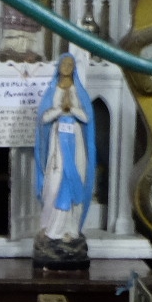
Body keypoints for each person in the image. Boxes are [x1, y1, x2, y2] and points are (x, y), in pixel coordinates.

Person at [33, 54, 95, 267]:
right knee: (55, 183)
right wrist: (61, 109)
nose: (67, 67)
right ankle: (53, 229)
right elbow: (43, 118)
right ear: (58, 67)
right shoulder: (52, 90)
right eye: (64, 64)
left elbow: (87, 118)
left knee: (75, 176)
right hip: (57, 142)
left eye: (71, 64)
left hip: (75, 141)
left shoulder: (79, 91)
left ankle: (70, 229)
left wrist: (72, 109)